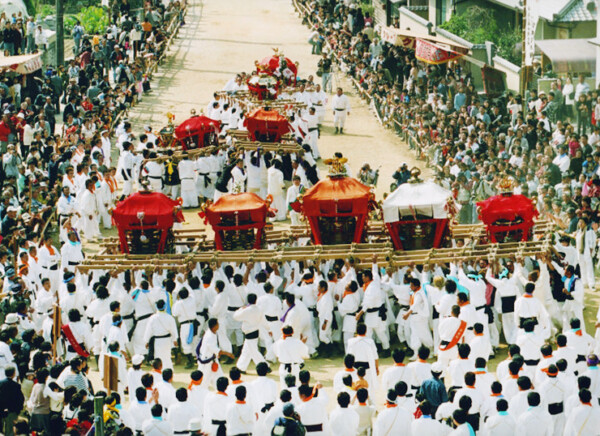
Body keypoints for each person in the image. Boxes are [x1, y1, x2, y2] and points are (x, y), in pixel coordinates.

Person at [0, 365, 24, 436]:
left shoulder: (0, 383)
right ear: (13, 373)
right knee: (10, 430)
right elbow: (21, 399)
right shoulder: (16, 385)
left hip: (1, 410)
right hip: (12, 411)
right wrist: (18, 410)